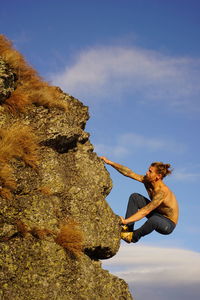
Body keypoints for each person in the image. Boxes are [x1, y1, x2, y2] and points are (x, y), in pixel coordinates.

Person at [100, 156, 179, 243]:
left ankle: (133, 237)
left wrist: (125, 221)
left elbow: (146, 211)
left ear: (158, 176)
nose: (146, 172)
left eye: (150, 171)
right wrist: (110, 162)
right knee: (135, 197)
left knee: (154, 220)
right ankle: (128, 231)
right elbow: (128, 173)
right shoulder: (147, 180)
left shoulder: (162, 192)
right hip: (156, 213)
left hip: (168, 223)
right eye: (148, 170)